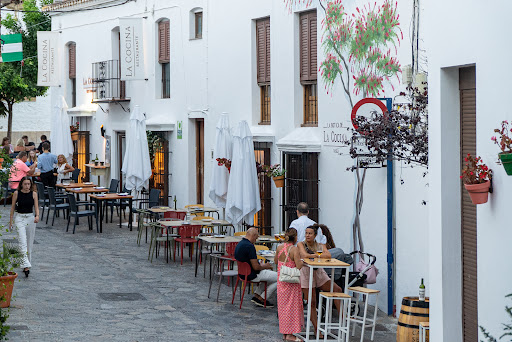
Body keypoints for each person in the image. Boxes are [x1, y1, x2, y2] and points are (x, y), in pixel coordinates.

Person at [298, 225, 343, 335]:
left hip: (319, 272)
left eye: (310, 233)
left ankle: (343, 319)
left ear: (315, 235)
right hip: (306, 272)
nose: (307, 235)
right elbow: (304, 255)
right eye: (306, 233)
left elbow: (328, 255)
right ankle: (316, 328)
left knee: (337, 289)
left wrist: (313, 255)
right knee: (312, 302)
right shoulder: (301, 244)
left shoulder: (319, 245)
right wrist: (317, 255)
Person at [234, 228, 278, 308]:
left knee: (269, 277)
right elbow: (256, 267)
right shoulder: (250, 246)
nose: (256, 239)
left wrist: (260, 265)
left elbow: (249, 262)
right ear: (253, 236)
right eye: (256, 237)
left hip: (242, 273)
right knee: (279, 278)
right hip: (252, 274)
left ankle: (257, 296)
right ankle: (262, 299)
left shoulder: (239, 244)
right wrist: (265, 266)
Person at [275, 228, 303, 341]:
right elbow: (299, 265)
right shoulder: (294, 250)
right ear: (295, 237)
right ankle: (291, 335)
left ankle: (285, 333)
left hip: (281, 281)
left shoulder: (279, 248)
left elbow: (276, 261)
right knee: (292, 308)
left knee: (283, 308)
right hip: (291, 283)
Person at [9, 176, 39, 277]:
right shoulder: (17, 193)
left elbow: (36, 207)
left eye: (28, 184)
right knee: (22, 242)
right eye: (25, 184)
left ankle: (26, 263)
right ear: (21, 184)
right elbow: (12, 208)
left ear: (31, 185)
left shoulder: (34, 194)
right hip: (19, 218)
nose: (27, 186)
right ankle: (26, 266)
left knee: (29, 244)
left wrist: (37, 216)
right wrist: (11, 221)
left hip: (30, 218)